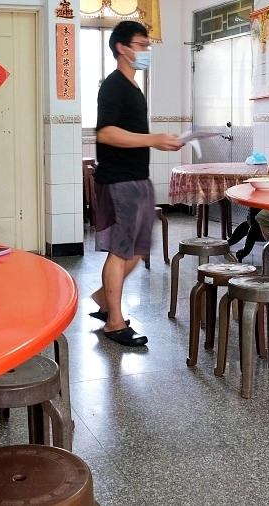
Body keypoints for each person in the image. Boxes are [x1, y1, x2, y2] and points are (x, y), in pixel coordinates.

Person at [90, 20, 183, 348]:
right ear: (122, 48)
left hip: (137, 178)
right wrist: (153, 139)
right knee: (121, 250)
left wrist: (159, 140)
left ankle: (104, 296)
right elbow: (105, 133)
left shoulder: (133, 87)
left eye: (147, 45)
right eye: (142, 45)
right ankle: (114, 323)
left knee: (139, 247)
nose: (146, 51)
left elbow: (130, 133)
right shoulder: (114, 85)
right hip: (119, 180)